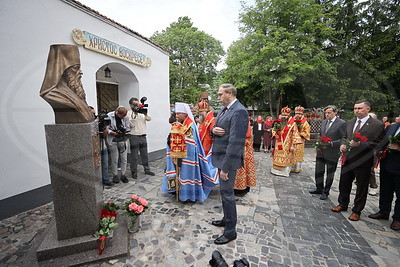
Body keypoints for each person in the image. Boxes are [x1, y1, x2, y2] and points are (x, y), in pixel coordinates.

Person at [331, 100, 384, 221]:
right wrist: (342, 145)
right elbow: (344, 137)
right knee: (344, 182)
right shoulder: (350, 122)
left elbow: (378, 143)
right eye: (355, 108)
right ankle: (342, 204)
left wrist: (360, 144)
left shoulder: (377, 124)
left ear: (367, 109)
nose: (357, 111)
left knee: (361, 186)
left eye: (360, 108)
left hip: (363, 161)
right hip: (348, 158)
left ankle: (357, 210)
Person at [211, 84, 248, 245]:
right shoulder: (224, 110)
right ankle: (226, 219)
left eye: (220, 94)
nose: (218, 97)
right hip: (220, 158)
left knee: (227, 195)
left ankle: (231, 231)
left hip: (228, 161)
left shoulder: (240, 111)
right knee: (224, 193)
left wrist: (226, 168)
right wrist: (213, 130)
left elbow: (235, 143)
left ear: (230, 94)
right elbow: (217, 128)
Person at [161, 102, 218, 202]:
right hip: (178, 154)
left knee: (185, 175)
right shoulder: (182, 122)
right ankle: (177, 190)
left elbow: (190, 142)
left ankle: (187, 194)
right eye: (176, 114)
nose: (177, 116)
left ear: (185, 113)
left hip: (187, 156)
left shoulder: (190, 125)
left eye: (179, 114)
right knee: (176, 172)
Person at [40, 44, 94, 124]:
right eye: (76, 68)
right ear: (63, 70)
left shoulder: (78, 93)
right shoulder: (54, 94)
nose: (81, 72)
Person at [368, 122, 400, 230]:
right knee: (385, 190)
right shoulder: (392, 127)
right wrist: (379, 149)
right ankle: (383, 211)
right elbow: (382, 141)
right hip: (386, 164)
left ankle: (397, 219)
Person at [309, 105, 345, 200]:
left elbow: (343, 138)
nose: (327, 115)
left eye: (329, 113)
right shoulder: (324, 122)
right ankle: (319, 188)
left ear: (335, 113)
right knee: (318, 170)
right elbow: (321, 134)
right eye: (326, 113)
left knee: (330, 173)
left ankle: (326, 191)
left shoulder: (341, 123)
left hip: (332, 152)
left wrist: (331, 143)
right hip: (321, 150)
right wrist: (318, 143)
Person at [127, 97, 155, 179]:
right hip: (134, 136)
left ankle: (147, 169)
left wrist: (144, 113)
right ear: (131, 105)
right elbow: (130, 124)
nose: (137, 106)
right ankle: (134, 171)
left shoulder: (141, 112)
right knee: (134, 155)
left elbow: (149, 119)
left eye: (137, 103)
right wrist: (134, 113)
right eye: (135, 104)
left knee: (144, 154)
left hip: (143, 136)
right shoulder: (129, 113)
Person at [271, 107, 302, 177]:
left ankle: (284, 171)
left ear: (288, 115)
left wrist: (293, 146)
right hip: (278, 144)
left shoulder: (293, 124)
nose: (284, 117)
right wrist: (274, 134)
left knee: (286, 158)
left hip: (288, 145)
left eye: (286, 115)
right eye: (283, 115)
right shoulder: (278, 123)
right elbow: (273, 130)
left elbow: (295, 135)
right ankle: (276, 170)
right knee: (277, 156)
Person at [106, 106, 131, 183]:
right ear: (117, 113)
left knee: (124, 159)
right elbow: (106, 128)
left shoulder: (126, 117)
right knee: (115, 159)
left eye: (124, 116)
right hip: (113, 139)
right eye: (122, 116)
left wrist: (126, 134)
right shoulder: (109, 116)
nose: (123, 118)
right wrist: (112, 132)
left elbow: (127, 127)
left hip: (122, 139)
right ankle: (115, 175)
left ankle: (123, 175)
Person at [234, 121, 256, 196]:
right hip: (240, 146)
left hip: (243, 147)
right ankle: (239, 187)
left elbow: (247, 134)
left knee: (242, 168)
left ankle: (242, 188)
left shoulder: (244, 120)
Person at [291, 106, 311, 173]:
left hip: (300, 142)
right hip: (291, 141)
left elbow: (307, 132)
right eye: (296, 113)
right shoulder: (292, 120)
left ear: (302, 114)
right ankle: (290, 167)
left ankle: (297, 168)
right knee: (291, 154)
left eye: (299, 114)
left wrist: (301, 132)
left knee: (298, 154)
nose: (298, 115)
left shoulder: (305, 123)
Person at [367, 113, 379, 196]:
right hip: (362, 149)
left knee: (370, 168)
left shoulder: (378, 127)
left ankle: (373, 186)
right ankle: (357, 182)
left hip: (373, 150)